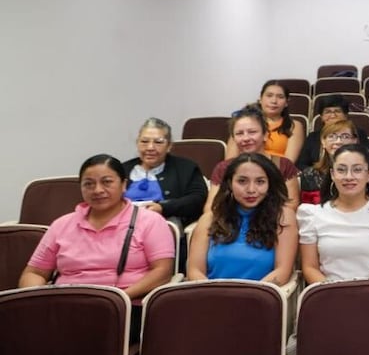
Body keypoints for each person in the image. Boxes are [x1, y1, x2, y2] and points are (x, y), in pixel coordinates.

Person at [20, 154, 175, 332]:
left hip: (125, 307)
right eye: (89, 184)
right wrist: (35, 301)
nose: (97, 190)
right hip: (65, 307)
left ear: (124, 185)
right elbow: (34, 272)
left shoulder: (149, 221)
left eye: (107, 182)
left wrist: (118, 298)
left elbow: (162, 271)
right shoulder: (61, 224)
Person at [298, 144, 369, 283]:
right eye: (341, 170)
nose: (349, 177)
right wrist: (334, 292)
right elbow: (310, 268)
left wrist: (360, 292)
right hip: (328, 295)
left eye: (357, 170)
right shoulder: (313, 215)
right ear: (332, 174)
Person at [187, 153, 299, 284]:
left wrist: (247, 297)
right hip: (212, 297)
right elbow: (194, 271)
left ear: (269, 185)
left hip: (259, 298)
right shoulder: (209, 219)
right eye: (242, 181)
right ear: (229, 183)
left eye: (260, 182)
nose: (251, 189)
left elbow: (283, 272)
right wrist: (215, 295)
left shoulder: (283, 217)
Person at [205, 106, 300, 214]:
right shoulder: (223, 168)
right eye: (239, 133)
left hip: (274, 223)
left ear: (265, 135)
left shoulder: (283, 165)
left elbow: (292, 204)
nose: (246, 138)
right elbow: (211, 207)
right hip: (232, 223)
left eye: (252, 132)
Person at [122, 117, 207, 229]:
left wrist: (163, 208)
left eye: (158, 142)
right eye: (144, 141)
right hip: (124, 223)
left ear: (169, 146)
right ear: (137, 143)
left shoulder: (186, 168)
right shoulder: (122, 169)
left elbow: (198, 199)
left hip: (165, 223)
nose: (150, 147)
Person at [226, 80, 303, 162]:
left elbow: (289, 162)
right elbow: (230, 160)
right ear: (260, 99)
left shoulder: (294, 126)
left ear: (286, 102)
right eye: (269, 96)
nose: (274, 101)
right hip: (245, 168)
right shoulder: (243, 123)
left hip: (278, 170)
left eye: (280, 97)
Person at [297, 94, 368, 169]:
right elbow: (302, 164)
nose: (333, 115)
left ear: (346, 115)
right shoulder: (313, 137)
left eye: (337, 111)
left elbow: (366, 159)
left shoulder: (357, 133)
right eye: (328, 112)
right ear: (321, 117)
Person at [299, 119, 360, 205]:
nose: (338, 141)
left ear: (354, 141)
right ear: (323, 141)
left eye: (345, 136)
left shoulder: (364, 172)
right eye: (332, 136)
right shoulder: (309, 175)